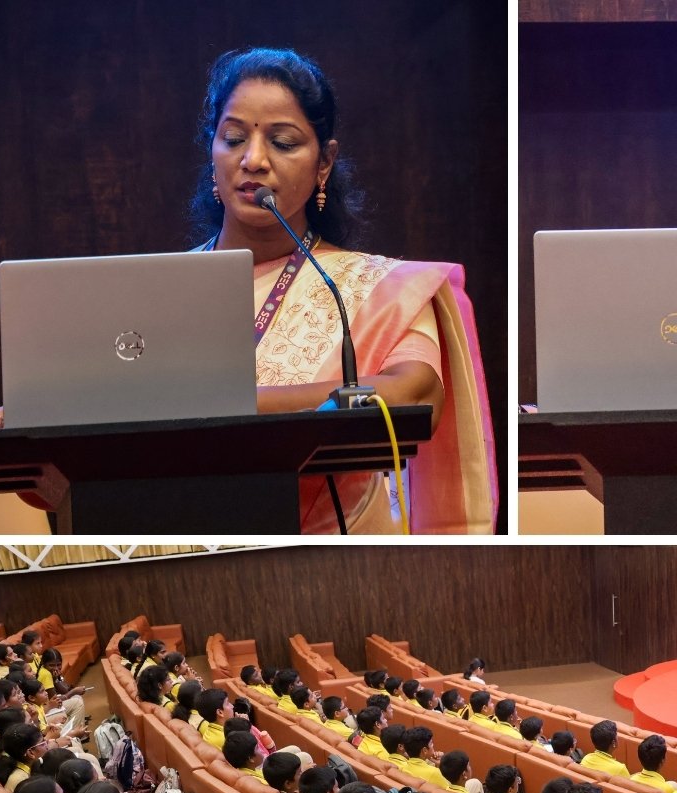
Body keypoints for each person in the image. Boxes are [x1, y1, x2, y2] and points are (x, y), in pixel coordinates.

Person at [189, 47, 495, 535]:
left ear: (324, 163)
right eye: (233, 138)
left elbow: (413, 393)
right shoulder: (160, 291)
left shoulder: (372, 287)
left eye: (283, 142)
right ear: (212, 149)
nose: (253, 160)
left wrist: (226, 405)